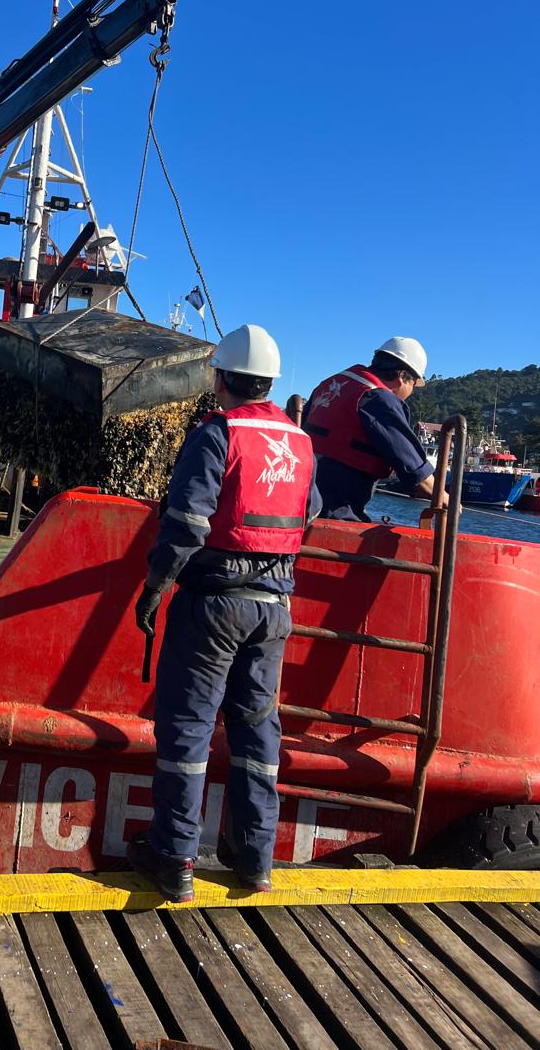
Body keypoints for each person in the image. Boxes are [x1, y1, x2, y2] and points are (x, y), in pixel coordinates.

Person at [128, 324, 320, 903]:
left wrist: (155, 587)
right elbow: (308, 508)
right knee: (257, 732)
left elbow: (187, 523)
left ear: (221, 379)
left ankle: (175, 860)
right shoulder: (301, 443)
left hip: (212, 606)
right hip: (274, 608)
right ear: (270, 382)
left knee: (188, 730)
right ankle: (254, 862)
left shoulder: (217, 434)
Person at [304, 337, 437, 522]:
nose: (411, 392)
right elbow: (417, 473)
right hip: (336, 509)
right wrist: (446, 498)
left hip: (303, 500)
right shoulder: (380, 400)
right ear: (402, 377)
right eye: (413, 384)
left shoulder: (329, 385)